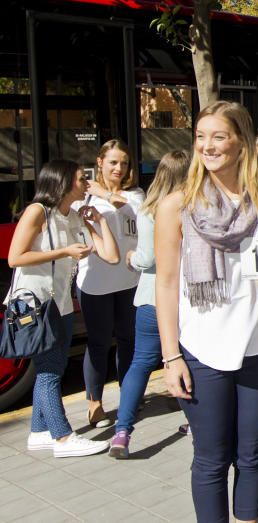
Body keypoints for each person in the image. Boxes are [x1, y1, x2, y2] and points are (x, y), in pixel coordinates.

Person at [155, 101, 258, 523]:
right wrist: (170, 356)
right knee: (211, 459)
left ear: (241, 142)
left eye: (218, 136)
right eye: (200, 137)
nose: (207, 146)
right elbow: (166, 284)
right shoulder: (176, 206)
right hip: (200, 350)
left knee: (252, 452)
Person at [10, 160, 119, 458]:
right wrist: (64, 252)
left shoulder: (73, 217)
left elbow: (110, 255)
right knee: (49, 370)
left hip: (59, 304)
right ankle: (62, 437)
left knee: (51, 367)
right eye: (81, 179)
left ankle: (38, 432)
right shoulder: (37, 212)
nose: (86, 184)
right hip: (34, 303)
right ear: (62, 182)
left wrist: (100, 221)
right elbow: (15, 257)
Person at [110, 150, 190, 459]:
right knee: (187, 360)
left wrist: (130, 259)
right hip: (184, 301)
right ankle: (196, 421)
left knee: (141, 363)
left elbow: (147, 258)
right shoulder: (194, 207)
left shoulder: (148, 209)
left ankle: (122, 431)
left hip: (149, 298)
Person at [74, 139, 145, 428]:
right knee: (99, 342)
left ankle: (129, 397)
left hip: (129, 280)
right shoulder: (85, 197)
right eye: (113, 162)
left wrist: (112, 195)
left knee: (128, 340)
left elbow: (144, 218)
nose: (119, 168)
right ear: (100, 162)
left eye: (124, 162)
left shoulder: (136, 194)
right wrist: (101, 194)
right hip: (96, 282)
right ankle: (95, 404)